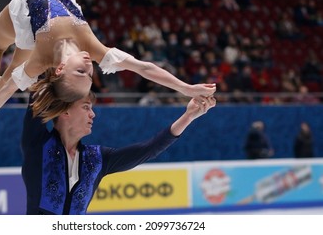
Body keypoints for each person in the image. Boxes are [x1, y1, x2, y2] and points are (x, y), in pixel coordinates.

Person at [0, 0, 216, 154]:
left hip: (27, 14)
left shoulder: (42, 59)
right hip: (63, 4)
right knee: (13, 70)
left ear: (60, 69)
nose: (89, 65)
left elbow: (9, 90)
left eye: (80, 70)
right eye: (89, 72)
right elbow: (143, 67)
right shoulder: (93, 48)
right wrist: (186, 88)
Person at [21, 90, 216, 214]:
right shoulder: (38, 145)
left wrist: (189, 116)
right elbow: (39, 90)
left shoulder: (97, 159)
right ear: (64, 112)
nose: (93, 114)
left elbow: (149, 149)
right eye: (86, 107)